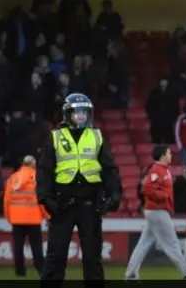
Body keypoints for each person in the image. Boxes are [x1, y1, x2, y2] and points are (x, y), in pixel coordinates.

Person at [36, 93, 122, 281]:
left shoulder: (97, 136)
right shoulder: (56, 137)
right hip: (62, 205)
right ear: (67, 115)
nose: (81, 116)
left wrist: (115, 193)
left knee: (93, 258)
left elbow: (109, 169)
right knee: (56, 256)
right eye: (77, 113)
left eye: (85, 113)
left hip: (90, 205)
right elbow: (44, 171)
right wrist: (46, 198)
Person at [124, 145, 186, 281]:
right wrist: (163, 196)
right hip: (157, 211)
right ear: (163, 155)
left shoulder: (163, 170)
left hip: (156, 211)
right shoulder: (157, 170)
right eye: (169, 153)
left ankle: (131, 274)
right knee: (172, 244)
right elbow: (147, 188)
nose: (171, 155)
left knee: (143, 243)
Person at [3, 155, 47, 278]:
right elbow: (42, 199)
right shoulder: (38, 178)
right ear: (33, 164)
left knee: (18, 246)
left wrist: (9, 217)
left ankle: (20, 271)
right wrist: (46, 215)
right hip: (33, 218)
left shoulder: (12, 179)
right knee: (37, 247)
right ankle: (41, 270)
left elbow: (6, 200)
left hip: (17, 218)